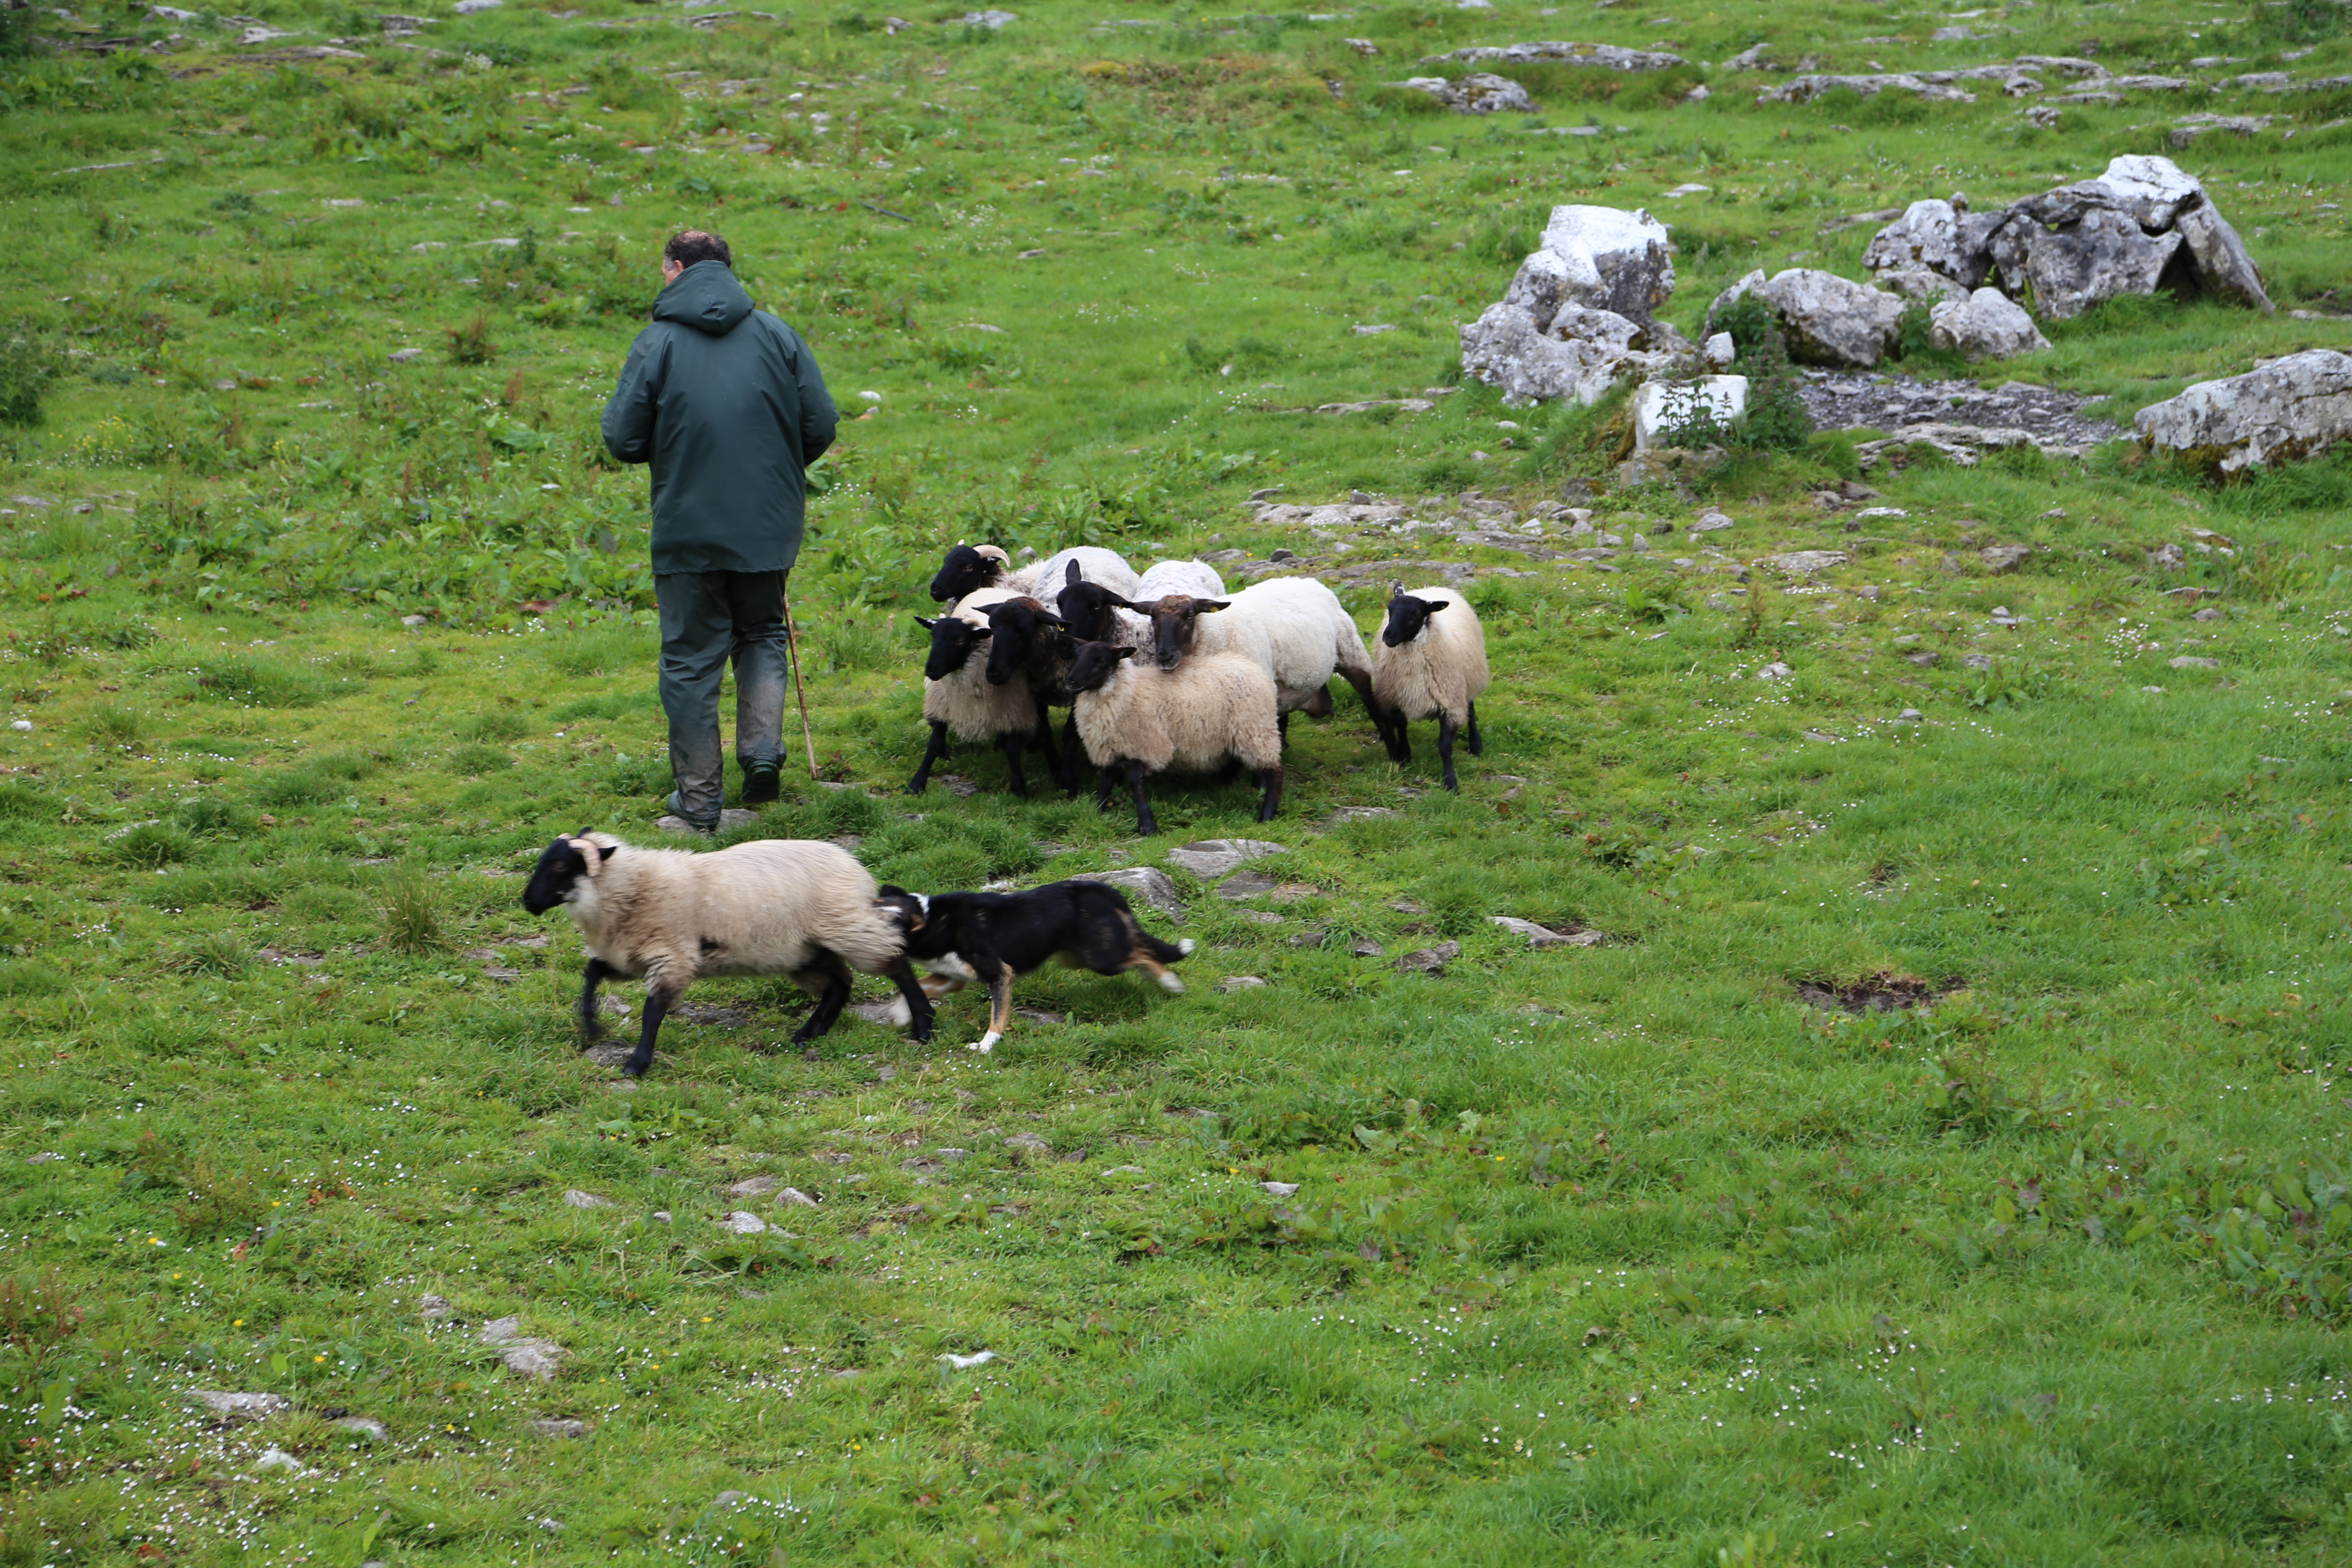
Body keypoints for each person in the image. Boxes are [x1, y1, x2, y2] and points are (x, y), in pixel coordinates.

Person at [600, 230, 838, 830]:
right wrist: (776, 474)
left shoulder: (657, 342)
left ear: (674, 269)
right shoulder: (777, 334)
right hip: (768, 524)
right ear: (727, 270)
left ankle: (700, 803)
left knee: (689, 658)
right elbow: (822, 423)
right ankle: (761, 754)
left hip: (688, 527)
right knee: (761, 632)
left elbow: (623, 439)